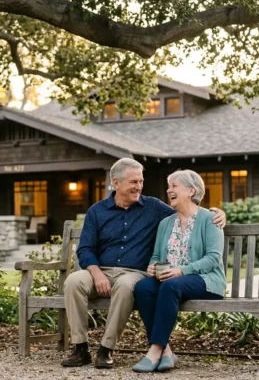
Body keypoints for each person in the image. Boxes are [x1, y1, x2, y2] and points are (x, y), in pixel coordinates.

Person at [61, 158, 226, 369]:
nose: (139, 186)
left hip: (132, 272)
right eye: (133, 182)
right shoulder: (97, 211)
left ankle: (106, 349)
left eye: (140, 181)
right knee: (74, 281)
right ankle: (80, 348)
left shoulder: (153, 207)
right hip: (99, 270)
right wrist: (96, 274)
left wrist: (219, 213)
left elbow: (187, 211)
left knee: (127, 286)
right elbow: (85, 249)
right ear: (116, 183)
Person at [131, 169, 226, 373]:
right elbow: (157, 256)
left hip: (205, 279)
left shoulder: (210, 219)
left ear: (191, 191)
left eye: (174, 186)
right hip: (172, 281)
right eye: (168, 186)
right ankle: (167, 351)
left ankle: (155, 350)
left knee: (171, 286)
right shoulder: (166, 223)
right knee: (143, 287)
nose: (169, 190)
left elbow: (213, 258)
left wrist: (182, 271)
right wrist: (153, 266)